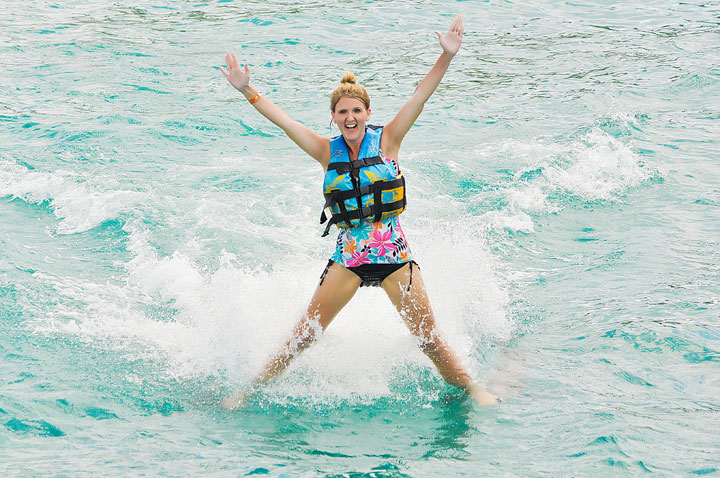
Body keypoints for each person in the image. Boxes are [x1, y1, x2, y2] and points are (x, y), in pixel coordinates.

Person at [219, 15, 498, 408]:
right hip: (349, 258)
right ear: (333, 117)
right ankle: (250, 391)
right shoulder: (324, 150)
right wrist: (247, 91)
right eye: (342, 112)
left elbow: (420, 96)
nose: (350, 118)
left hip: (395, 257)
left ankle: (470, 388)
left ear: (367, 113)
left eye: (357, 111)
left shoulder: (389, 139)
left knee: (429, 337)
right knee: (304, 334)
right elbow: (284, 123)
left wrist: (446, 58)